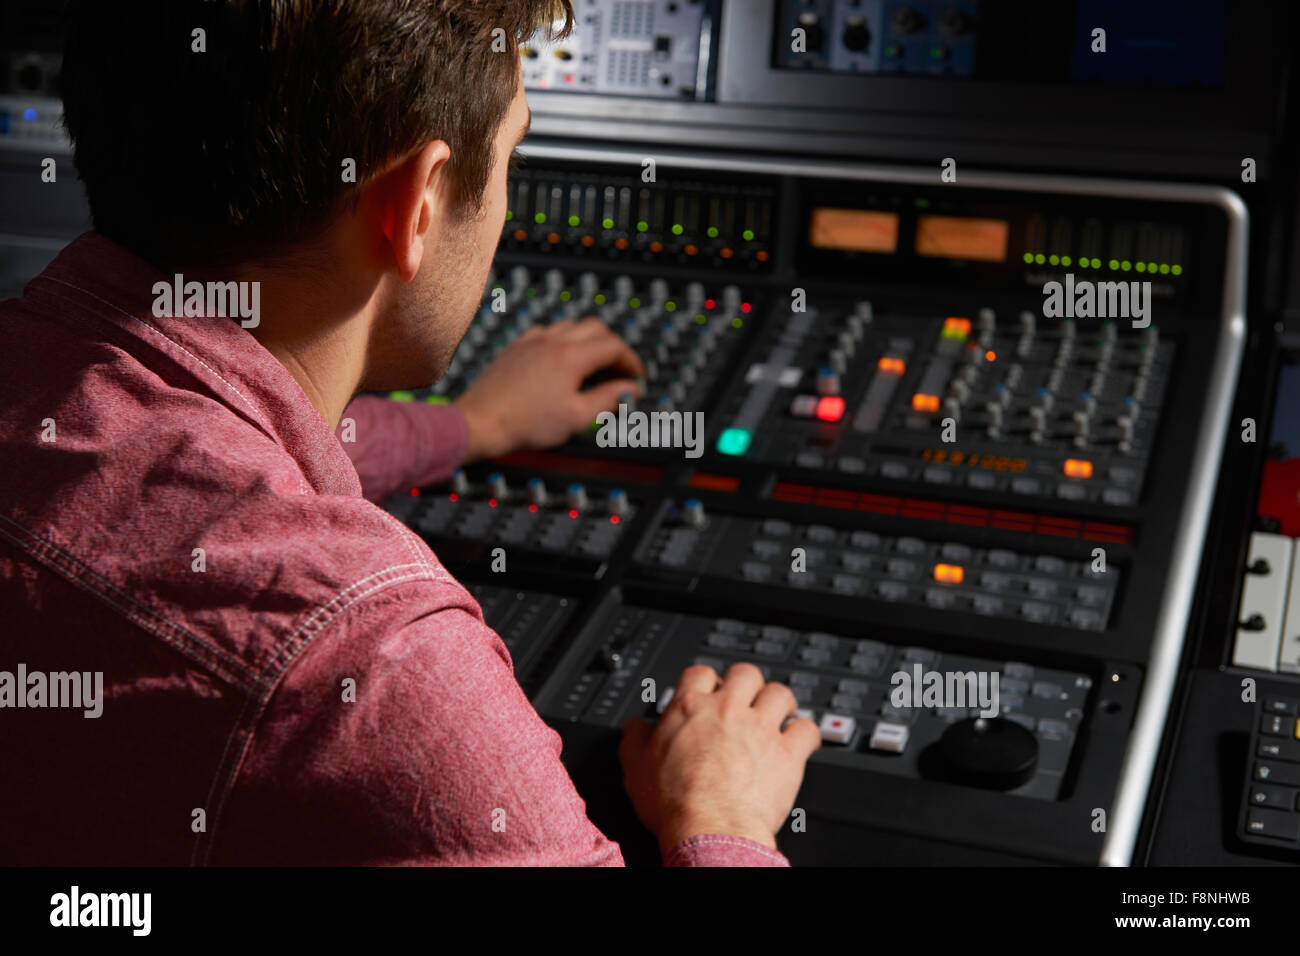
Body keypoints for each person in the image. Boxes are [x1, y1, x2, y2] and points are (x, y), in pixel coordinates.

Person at [0, 0, 819, 865]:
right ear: (416, 204)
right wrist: (723, 814)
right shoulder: (377, 666)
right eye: (512, 153)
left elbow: (186, 438)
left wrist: (473, 427)